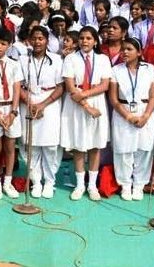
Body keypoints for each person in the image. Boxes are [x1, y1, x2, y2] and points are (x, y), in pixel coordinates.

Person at [61, 26, 111, 201]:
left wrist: (85, 95)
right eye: (82, 38)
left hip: (95, 99)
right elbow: (70, 86)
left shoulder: (103, 59)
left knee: (95, 145)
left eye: (89, 38)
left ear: (95, 41)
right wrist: (86, 105)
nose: (84, 41)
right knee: (79, 144)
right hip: (77, 103)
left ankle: (92, 185)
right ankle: (80, 184)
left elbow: (105, 85)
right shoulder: (70, 58)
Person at [108, 37, 154, 201]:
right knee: (123, 149)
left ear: (139, 52)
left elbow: (153, 96)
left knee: (144, 149)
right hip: (123, 112)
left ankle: (139, 185)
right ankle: (125, 184)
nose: (125, 52)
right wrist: (128, 116)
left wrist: (146, 115)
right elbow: (113, 99)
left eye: (129, 49)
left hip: (145, 111)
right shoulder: (116, 70)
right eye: (123, 49)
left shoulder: (149, 69)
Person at [19, 26, 64, 199]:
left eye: (41, 38)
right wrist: (31, 103)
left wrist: (43, 105)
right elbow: (18, 85)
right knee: (30, 145)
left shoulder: (56, 60)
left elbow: (61, 87)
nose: (37, 42)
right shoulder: (23, 60)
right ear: (29, 40)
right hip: (28, 101)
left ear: (47, 40)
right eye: (34, 38)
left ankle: (50, 182)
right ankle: (36, 181)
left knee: (51, 146)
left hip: (50, 103)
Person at [0, 28, 22, 199]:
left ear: (9, 45)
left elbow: (16, 89)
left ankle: (8, 182)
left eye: (3, 43)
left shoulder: (15, 64)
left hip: (11, 108)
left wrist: (13, 113)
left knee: (10, 146)